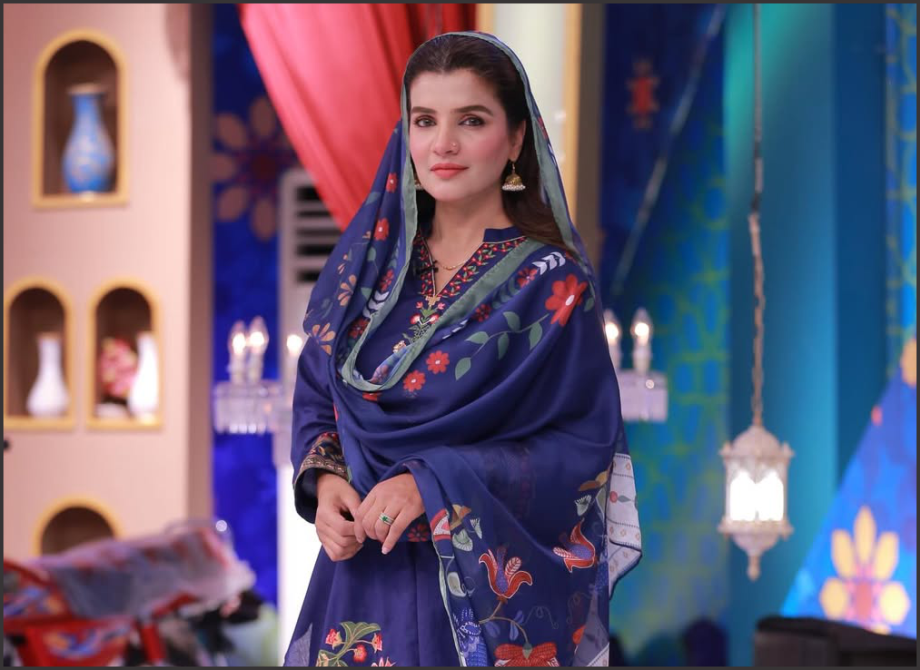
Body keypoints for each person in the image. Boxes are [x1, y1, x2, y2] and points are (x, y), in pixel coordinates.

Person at [285, 31, 641, 667]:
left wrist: (433, 482)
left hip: (476, 604)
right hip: (360, 584)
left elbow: (580, 449)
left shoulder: (550, 285)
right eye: (425, 120)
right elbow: (319, 388)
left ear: (516, 139)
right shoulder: (368, 272)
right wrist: (325, 478)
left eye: (470, 120)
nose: (442, 144)